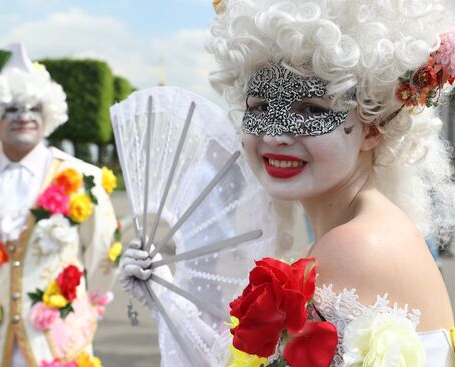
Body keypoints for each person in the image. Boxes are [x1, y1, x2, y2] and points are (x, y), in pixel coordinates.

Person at [121, 0, 455, 365]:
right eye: (260, 106)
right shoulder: (369, 226)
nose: (275, 134)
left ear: (374, 127)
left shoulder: (354, 246)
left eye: (313, 109)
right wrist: (171, 303)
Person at [0, 43, 121, 367]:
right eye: (12, 109)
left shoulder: (82, 177)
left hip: (60, 345)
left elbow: (104, 255)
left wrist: (87, 309)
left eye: (33, 108)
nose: (24, 117)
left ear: (47, 114)